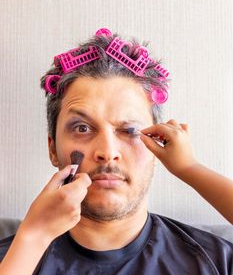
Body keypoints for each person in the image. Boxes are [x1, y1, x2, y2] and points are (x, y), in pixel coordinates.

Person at [0, 28, 232, 275]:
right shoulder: (13, 260)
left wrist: (190, 169)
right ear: (53, 149)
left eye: (130, 130)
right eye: (82, 127)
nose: (107, 152)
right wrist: (33, 239)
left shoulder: (216, 262)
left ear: (159, 148)